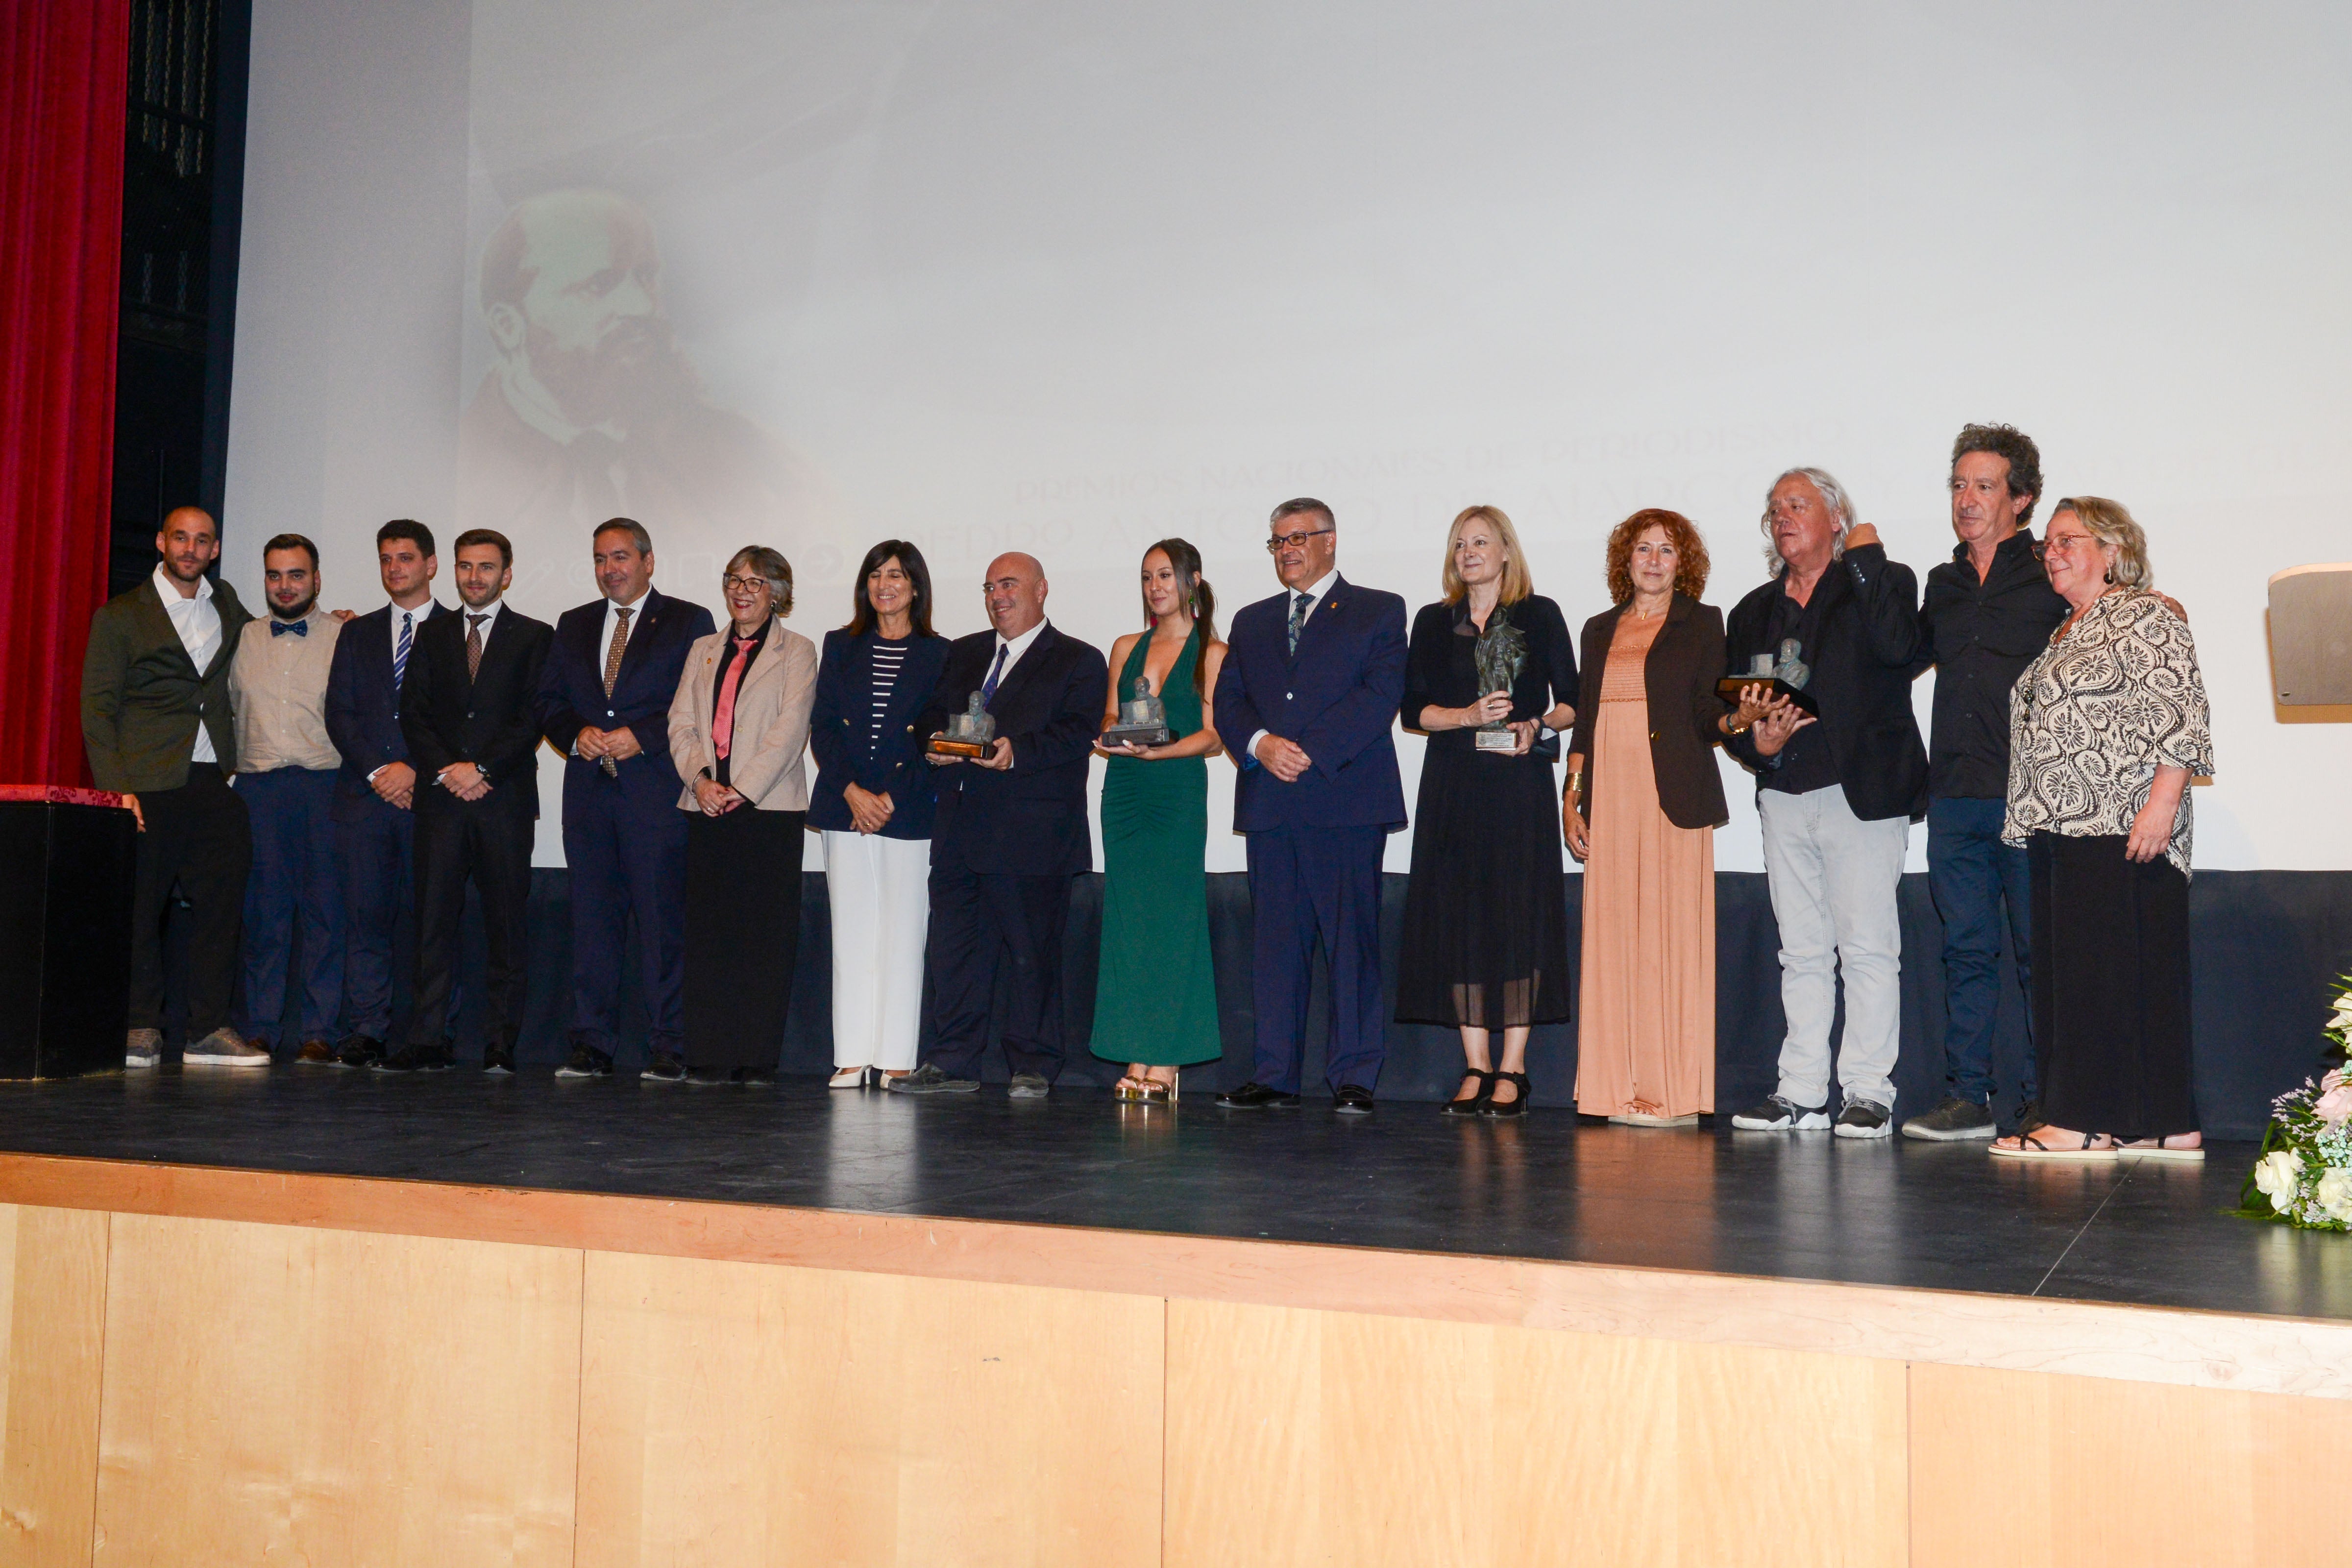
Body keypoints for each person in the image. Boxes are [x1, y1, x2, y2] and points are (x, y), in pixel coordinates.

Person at [1992, 499, 2212, 1162]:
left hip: (2116, 824)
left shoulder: (2145, 613)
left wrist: (2162, 806)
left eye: (2068, 540)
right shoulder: (2068, 629)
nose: (2052, 552)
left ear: (2112, 550)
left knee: (2095, 982)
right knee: (2130, 980)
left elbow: (2182, 708)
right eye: (2047, 545)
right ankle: (2165, 1123)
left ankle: (2083, 1121)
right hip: (2063, 830)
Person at [1721, 469, 1926, 1139]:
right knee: (1802, 952)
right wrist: (1762, 741)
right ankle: (1801, 1093)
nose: (1783, 517)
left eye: (1798, 505)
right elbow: (1739, 712)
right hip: (1784, 793)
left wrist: (1865, 556)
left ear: (1837, 519)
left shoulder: (1880, 581)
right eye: (1775, 507)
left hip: (1859, 792)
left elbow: (1902, 648)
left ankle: (1869, 1091)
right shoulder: (1753, 609)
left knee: (1867, 948)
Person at [1901, 425, 2069, 1141]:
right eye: (1958, 485)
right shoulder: (1940, 584)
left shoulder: (2049, 573)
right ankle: (1969, 1097)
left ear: (2022, 498)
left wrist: (2159, 603)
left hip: (2029, 797)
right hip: (1955, 796)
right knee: (1965, 949)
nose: (1967, 500)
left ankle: (2047, 1102)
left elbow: (2112, 611)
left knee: (2040, 952)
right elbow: (1892, 660)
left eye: (1984, 486)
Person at [1213, 498, 1409, 1114]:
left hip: (1345, 798)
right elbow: (1229, 702)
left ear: (1330, 541)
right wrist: (1261, 745)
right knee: (1275, 945)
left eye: (1298, 538)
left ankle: (1354, 1074)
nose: (1287, 550)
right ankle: (1275, 1071)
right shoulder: (1250, 620)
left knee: (1352, 943)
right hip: (1272, 801)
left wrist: (1308, 752)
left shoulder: (1379, 608)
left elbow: (1381, 695)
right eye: (1276, 542)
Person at [890, 553, 1106, 1098]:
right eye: (989, 586)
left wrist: (1018, 752)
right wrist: (933, 749)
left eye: (1009, 584)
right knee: (955, 951)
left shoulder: (1078, 658)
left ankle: (1034, 1062)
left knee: (1031, 953)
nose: (997, 596)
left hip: (1033, 835)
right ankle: (951, 1059)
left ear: (1042, 589)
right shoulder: (962, 653)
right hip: (960, 828)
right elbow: (930, 720)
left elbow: (1078, 732)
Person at [1396, 506, 1575, 1118]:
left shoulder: (1539, 613)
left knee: (1517, 919)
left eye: (1480, 541)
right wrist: (1467, 716)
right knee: (1460, 922)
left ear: (1506, 550)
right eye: (1459, 543)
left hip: (1516, 785)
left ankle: (1514, 1068)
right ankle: (1475, 1064)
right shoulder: (1432, 620)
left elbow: (1573, 702)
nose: (1468, 551)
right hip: (1452, 783)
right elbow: (1412, 709)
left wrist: (1535, 724)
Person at [80, 505, 261, 1067]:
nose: (190, 548)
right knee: (141, 911)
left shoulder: (227, 604)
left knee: (220, 911)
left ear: (214, 549)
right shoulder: (121, 615)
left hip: (212, 780)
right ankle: (140, 1025)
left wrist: (337, 621)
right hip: (145, 782)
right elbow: (97, 707)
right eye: (180, 537)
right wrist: (117, 788)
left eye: (201, 540)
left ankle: (209, 1029)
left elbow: (271, 637)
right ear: (161, 542)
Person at [1564, 510, 1728, 1126]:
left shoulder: (1703, 622)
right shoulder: (1598, 628)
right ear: (1625, 560)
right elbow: (1584, 719)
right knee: (1612, 937)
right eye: (1643, 549)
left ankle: (1672, 1090)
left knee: (1670, 938)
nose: (1654, 560)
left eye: (1666, 550)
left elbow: (1712, 710)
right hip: (1612, 793)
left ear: (1682, 562)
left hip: (1673, 795)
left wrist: (1742, 720)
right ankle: (1612, 1086)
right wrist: (1572, 795)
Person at [537, 517, 716, 1081]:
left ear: (648, 560)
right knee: (592, 924)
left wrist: (644, 734)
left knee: (663, 924)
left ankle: (669, 1042)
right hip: (590, 797)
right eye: (599, 559)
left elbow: (698, 703)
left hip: (657, 795)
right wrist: (573, 734)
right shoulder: (573, 623)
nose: (609, 569)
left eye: (619, 557)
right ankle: (592, 1042)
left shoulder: (689, 620)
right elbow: (550, 702)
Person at [393, 529, 553, 1073]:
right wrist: (448, 769)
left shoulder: (535, 636)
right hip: (441, 801)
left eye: (486, 567)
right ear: (453, 571)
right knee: (433, 923)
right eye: (466, 567)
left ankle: (500, 1045)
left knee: (506, 926)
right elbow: (413, 713)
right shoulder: (432, 633)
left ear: (507, 574)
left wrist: (482, 769)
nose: (475, 577)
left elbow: (534, 715)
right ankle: (427, 1038)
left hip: (501, 800)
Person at [665, 547, 818, 1085]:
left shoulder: (797, 650)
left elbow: (790, 731)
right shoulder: (703, 648)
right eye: (734, 579)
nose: (742, 590)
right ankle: (708, 1053)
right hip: (705, 808)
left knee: (763, 939)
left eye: (756, 582)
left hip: (767, 813)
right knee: (710, 937)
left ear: (777, 591)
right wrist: (702, 781)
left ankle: (755, 1056)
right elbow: (680, 722)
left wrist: (741, 790)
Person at [807, 542, 950, 1088]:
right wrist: (851, 791)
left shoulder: (940, 653)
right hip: (845, 807)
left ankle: (894, 1055)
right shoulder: (840, 646)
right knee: (853, 930)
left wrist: (887, 793)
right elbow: (823, 726)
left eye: (896, 575)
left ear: (916, 586)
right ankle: (851, 1054)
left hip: (907, 807)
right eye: (875, 574)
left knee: (902, 930)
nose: (884, 584)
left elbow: (935, 731)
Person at [1091, 539, 1229, 1101]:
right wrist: (1112, 737)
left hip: (1174, 788)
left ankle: (1167, 1061)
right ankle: (1136, 1052)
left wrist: (1161, 749)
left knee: (1172, 924)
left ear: (1192, 580)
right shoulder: (1125, 645)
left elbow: (1215, 736)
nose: (1155, 586)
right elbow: (1108, 714)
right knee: (1128, 924)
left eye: (1166, 575)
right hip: (1124, 791)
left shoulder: (1212, 652)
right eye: (1148, 577)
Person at [325, 519, 458, 1069]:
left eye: (406, 557)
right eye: (386, 558)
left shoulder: (461, 631)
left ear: (431, 565)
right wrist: (382, 770)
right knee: (367, 920)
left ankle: (431, 1033)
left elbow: (464, 719)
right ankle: (367, 1029)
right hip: (367, 799)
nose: (395, 568)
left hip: (433, 801)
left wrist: (415, 771)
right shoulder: (357, 633)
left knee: (432, 923)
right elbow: (340, 712)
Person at [228, 534, 346, 1063]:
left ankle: (320, 1031)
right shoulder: (243, 636)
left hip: (324, 786)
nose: (285, 585)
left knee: (326, 913)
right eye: (275, 575)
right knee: (264, 915)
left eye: (296, 574)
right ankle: (259, 1030)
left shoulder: (348, 635)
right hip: (258, 789)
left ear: (316, 580)